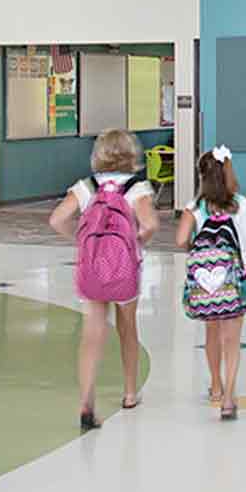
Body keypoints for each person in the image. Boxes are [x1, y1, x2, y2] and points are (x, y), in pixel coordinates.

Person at [48, 129, 158, 430]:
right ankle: (130, 393)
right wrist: (133, 242)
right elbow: (149, 225)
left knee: (91, 334)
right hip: (124, 270)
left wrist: (82, 240)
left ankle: (86, 400)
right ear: (130, 154)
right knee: (128, 329)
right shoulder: (138, 188)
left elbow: (56, 219)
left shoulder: (86, 186)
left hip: (92, 268)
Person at [176, 146, 246, 419]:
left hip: (205, 284)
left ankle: (215, 384)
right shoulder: (243, 204)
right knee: (232, 339)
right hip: (236, 282)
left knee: (211, 333)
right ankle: (230, 397)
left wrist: (195, 251)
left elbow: (179, 240)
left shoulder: (194, 209)